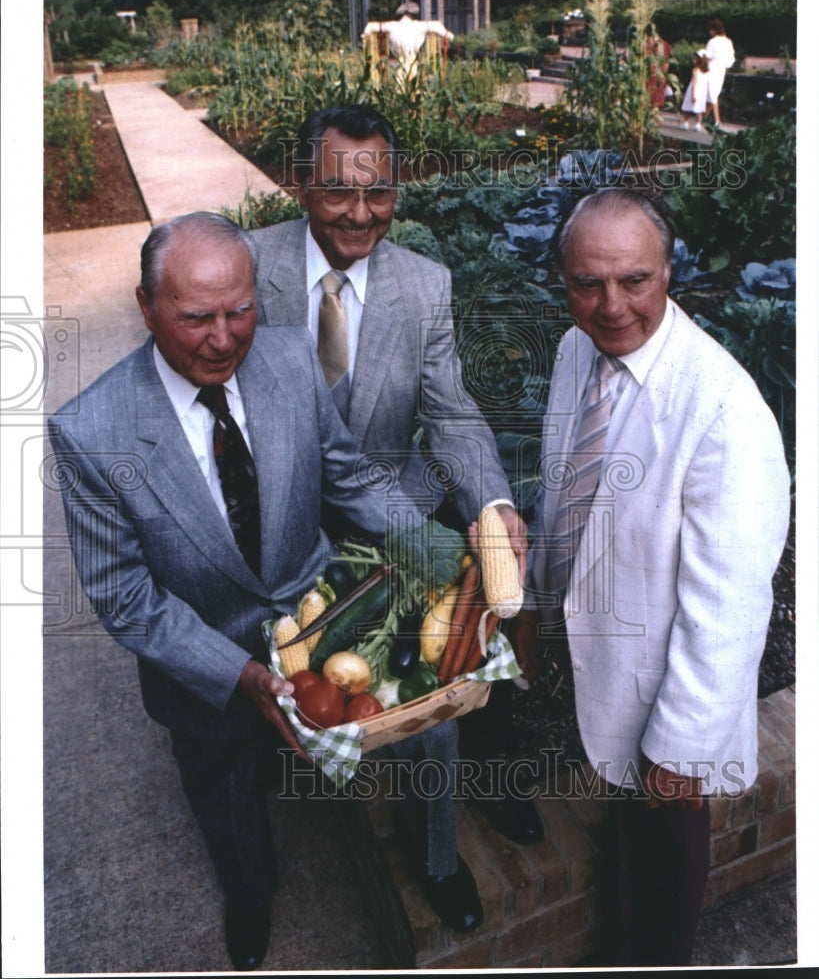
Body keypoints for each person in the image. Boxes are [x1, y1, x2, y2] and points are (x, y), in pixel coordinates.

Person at [46, 212, 478, 971]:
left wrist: (436, 552)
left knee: (430, 722)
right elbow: (124, 597)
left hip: (322, 611)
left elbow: (346, 475)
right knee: (226, 787)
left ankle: (437, 860)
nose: (223, 339)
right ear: (146, 307)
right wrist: (237, 674)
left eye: (240, 310)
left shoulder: (286, 358)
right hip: (206, 659)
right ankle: (250, 895)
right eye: (195, 318)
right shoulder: (90, 432)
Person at [511, 189, 791, 966]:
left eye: (634, 280)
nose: (609, 307)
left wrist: (676, 754)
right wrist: (534, 600)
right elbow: (562, 491)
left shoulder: (724, 412)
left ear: (669, 271)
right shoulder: (576, 353)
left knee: (665, 853)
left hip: (672, 687)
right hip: (611, 653)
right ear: (561, 281)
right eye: (586, 283)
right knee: (628, 820)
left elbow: (729, 610)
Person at [251, 103, 542, 847]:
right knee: (319, 684)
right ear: (298, 184)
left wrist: (495, 503)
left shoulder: (422, 285)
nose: (359, 214)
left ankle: (458, 827)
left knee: (457, 659)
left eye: (377, 192)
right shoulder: (247, 269)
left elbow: (449, 415)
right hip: (286, 526)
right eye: (337, 191)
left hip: (397, 508)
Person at [704, 18, 736, 128]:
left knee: (712, 94)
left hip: (712, 68)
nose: (709, 32)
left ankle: (717, 121)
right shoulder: (728, 41)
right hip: (721, 69)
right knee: (713, 93)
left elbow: (707, 57)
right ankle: (704, 117)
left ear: (714, 30)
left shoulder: (712, 42)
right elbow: (731, 59)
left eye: (710, 30)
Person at [680, 49, 709, 132]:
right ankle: (698, 124)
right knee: (699, 108)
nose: (693, 60)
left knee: (688, 108)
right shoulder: (707, 72)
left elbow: (694, 83)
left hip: (694, 90)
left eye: (695, 58)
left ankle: (686, 122)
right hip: (702, 92)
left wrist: (693, 94)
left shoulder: (696, 70)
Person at [644, 28, 673, 110]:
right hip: (660, 75)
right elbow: (667, 61)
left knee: (648, 99)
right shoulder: (665, 44)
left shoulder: (646, 44)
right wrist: (664, 74)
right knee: (656, 101)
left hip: (649, 74)